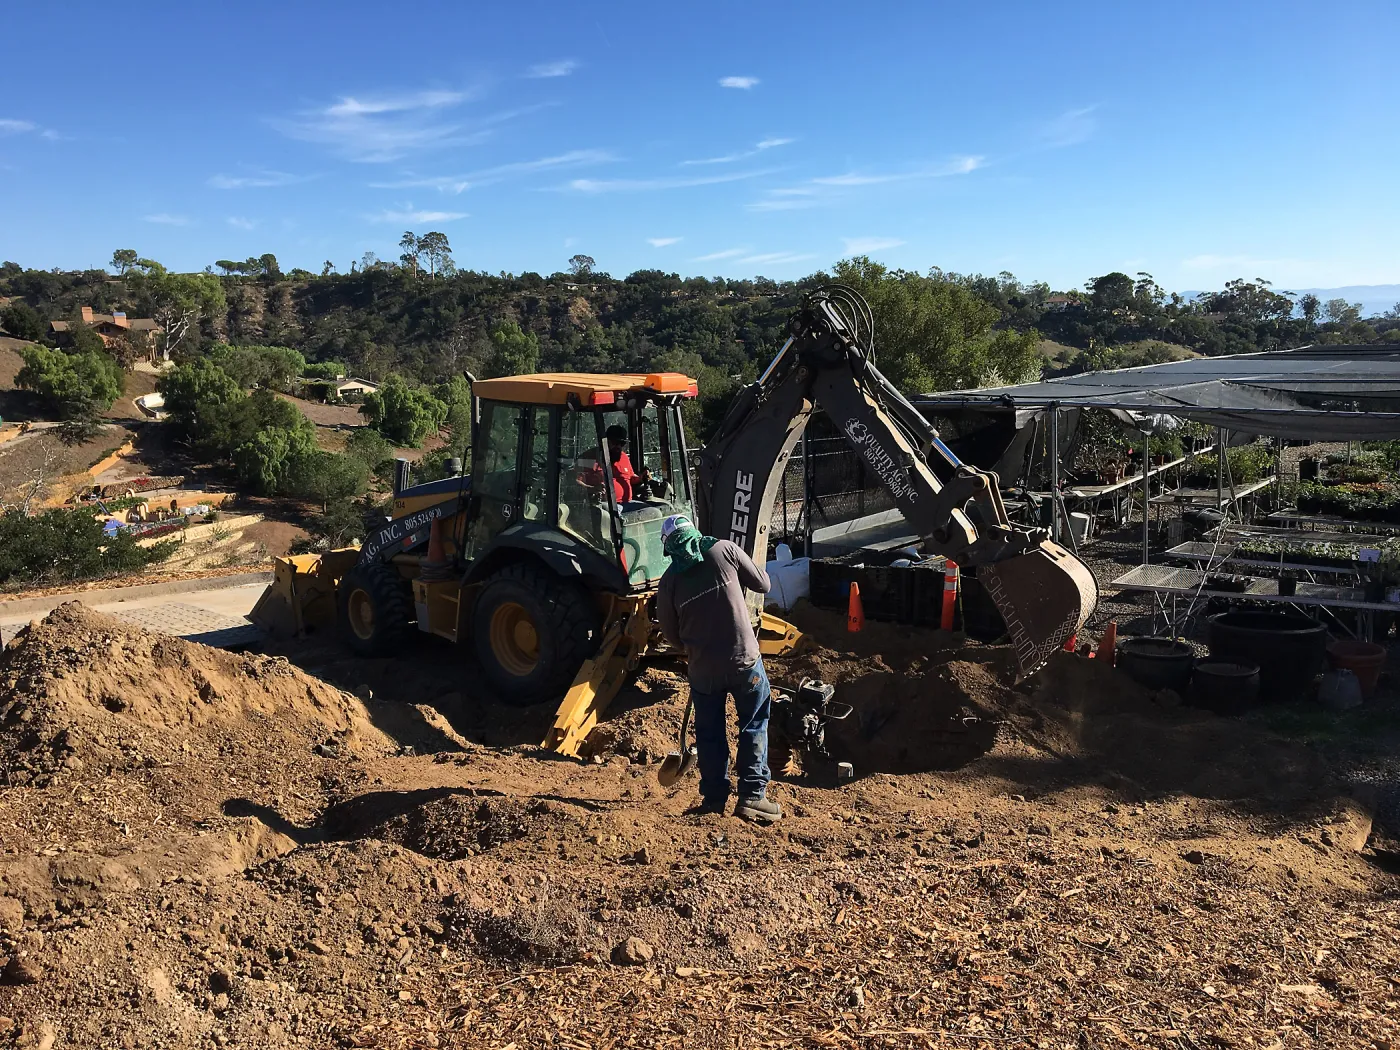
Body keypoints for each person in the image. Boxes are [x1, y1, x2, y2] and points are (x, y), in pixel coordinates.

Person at [655, 513, 781, 824]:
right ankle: (753, 796)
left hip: (704, 672)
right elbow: (763, 584)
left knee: (709, 734)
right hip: (744, 662)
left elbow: (671, 637)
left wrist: (695, 648)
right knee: (752, 724)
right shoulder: (724, 550)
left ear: (669, 548)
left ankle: (713, 800)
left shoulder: (669, 581)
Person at [580, 424, 638, 502]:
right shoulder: (589, 457)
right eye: (615, 442)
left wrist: (642, 477)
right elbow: (574, 482)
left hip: (627, 502)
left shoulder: (624, 457)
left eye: (622, 443)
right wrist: (592, 489)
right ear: (605, 441)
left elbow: (630, 478)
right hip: (604, 504)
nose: (618, 446)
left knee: (652, 510)